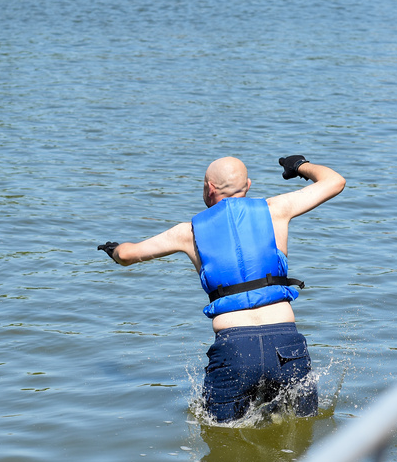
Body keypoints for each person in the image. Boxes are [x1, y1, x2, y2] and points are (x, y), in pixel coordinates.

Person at [98, 155, 346, 423]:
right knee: (302, 434)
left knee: (223, 439)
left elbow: (127, 255)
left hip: (234, 350)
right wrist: (299, 166)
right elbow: (336, 181)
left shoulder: (189, 232)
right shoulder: (276, 209)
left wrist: (113, 249)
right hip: (286, 345)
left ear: (209, 188)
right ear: (248, 185)